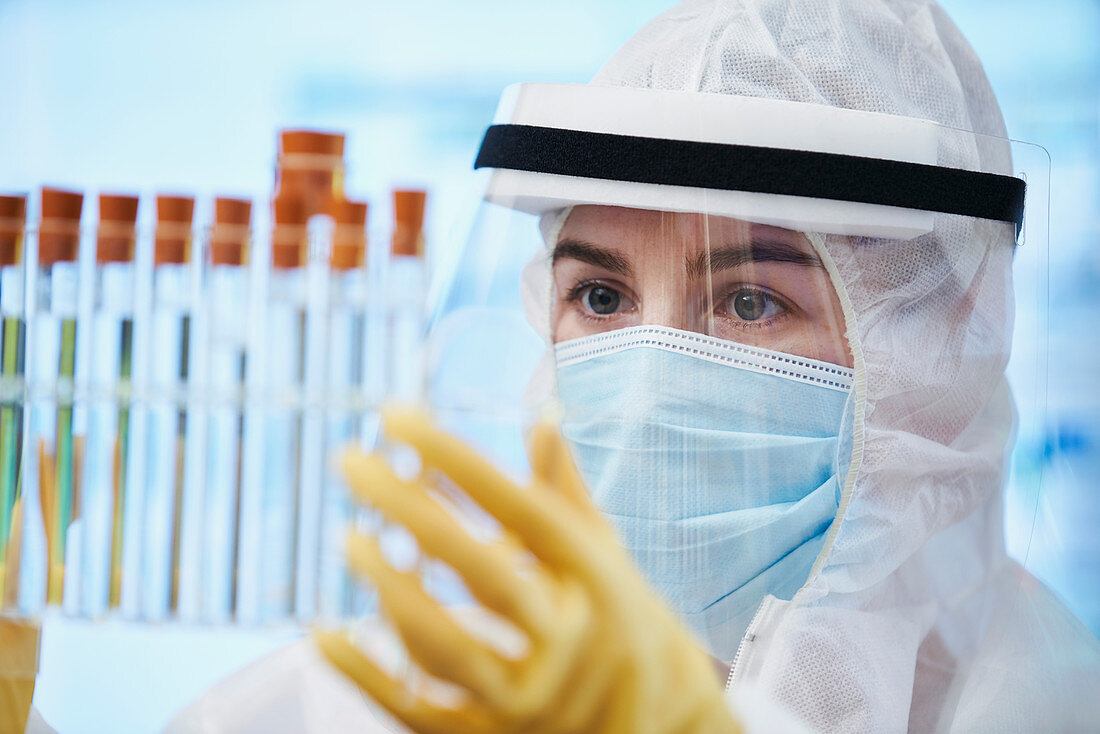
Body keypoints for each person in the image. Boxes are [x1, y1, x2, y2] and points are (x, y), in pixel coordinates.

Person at [170, 0, 1100, 731]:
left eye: (749, 302)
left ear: (928, 353)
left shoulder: (1045, 709)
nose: (650, 382)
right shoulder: (393, 698)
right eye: (601, 299)